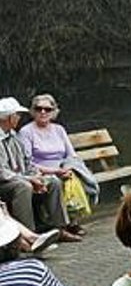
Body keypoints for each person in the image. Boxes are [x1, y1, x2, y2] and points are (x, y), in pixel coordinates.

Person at [0, 97, 81, 242]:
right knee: (23, 186)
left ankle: (60, 228)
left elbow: (27, 162)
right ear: (8, 117)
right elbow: (3, 173)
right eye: (16, 115)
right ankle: (30, 235)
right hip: (5, 183)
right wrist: (30, 179)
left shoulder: (13, 136)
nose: (19, 118)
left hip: (20, 178)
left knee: (53, 181)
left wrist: (36, 176)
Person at [18, 94, 99, 234]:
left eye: (47, 109)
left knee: (76, 177)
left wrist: (67, 168)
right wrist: (54, 171)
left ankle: (73, 222)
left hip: (62, 168)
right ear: (32, 111)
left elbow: (71, 154)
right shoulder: (26, 132)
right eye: (39, 109)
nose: (43, 112)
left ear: (53, 112)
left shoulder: (59, 129)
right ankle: (62, 226)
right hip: (40, 171)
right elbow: (27, 162)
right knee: (55, 181)